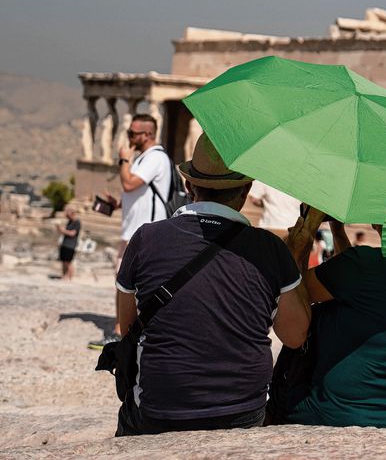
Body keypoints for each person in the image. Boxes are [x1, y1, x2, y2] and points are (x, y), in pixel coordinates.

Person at [114, 134, 309, 436]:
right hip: (241, 410)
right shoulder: (270, 248)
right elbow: (295, 337)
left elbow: (126, 326)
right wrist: (295, 257)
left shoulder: (146, 238)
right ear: (245, 191)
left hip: (159, 408)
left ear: (189, 186)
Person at [284, 222, 386, 427]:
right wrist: (338, 232)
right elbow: (352, 283)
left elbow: (296, 291)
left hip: (335, 411)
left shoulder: (363, 264)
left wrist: (297, 246)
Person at [97, 115, 174, 344]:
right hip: (131, 231)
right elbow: (137, 192)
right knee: (124, 280)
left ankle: (124, 333)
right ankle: (124, 330)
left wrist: (124, 160)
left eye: (132, 133)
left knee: (131, 281)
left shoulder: (156, 158)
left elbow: (129, 183)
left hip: (145, 232)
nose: (129, 137)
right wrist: (117, 203)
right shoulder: (142, 159)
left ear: (148, 135)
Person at [57, 204, 81, 280]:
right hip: (65, 244)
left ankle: (69, 276)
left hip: (71, 245)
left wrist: (62, 230)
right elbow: (65, 232)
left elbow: (72, 233)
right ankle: (64, 275)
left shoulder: (77, 222)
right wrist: (59, 228)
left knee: (69, 262)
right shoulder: (70, 222)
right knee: (64, 261)